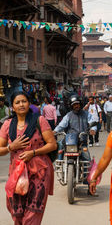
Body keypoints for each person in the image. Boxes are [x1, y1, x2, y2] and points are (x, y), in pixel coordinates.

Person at [0, 91, 57, 225]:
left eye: (24, 101)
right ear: (12, 107)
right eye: (17, 102)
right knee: (17, 212)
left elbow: (52, 144)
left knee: (33, 213)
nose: (21, 105)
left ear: (29, 103)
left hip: (40, 172)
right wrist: (11, 147)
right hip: (16, 173)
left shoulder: (39, 120)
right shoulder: (7, 125)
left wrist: (34, 152)